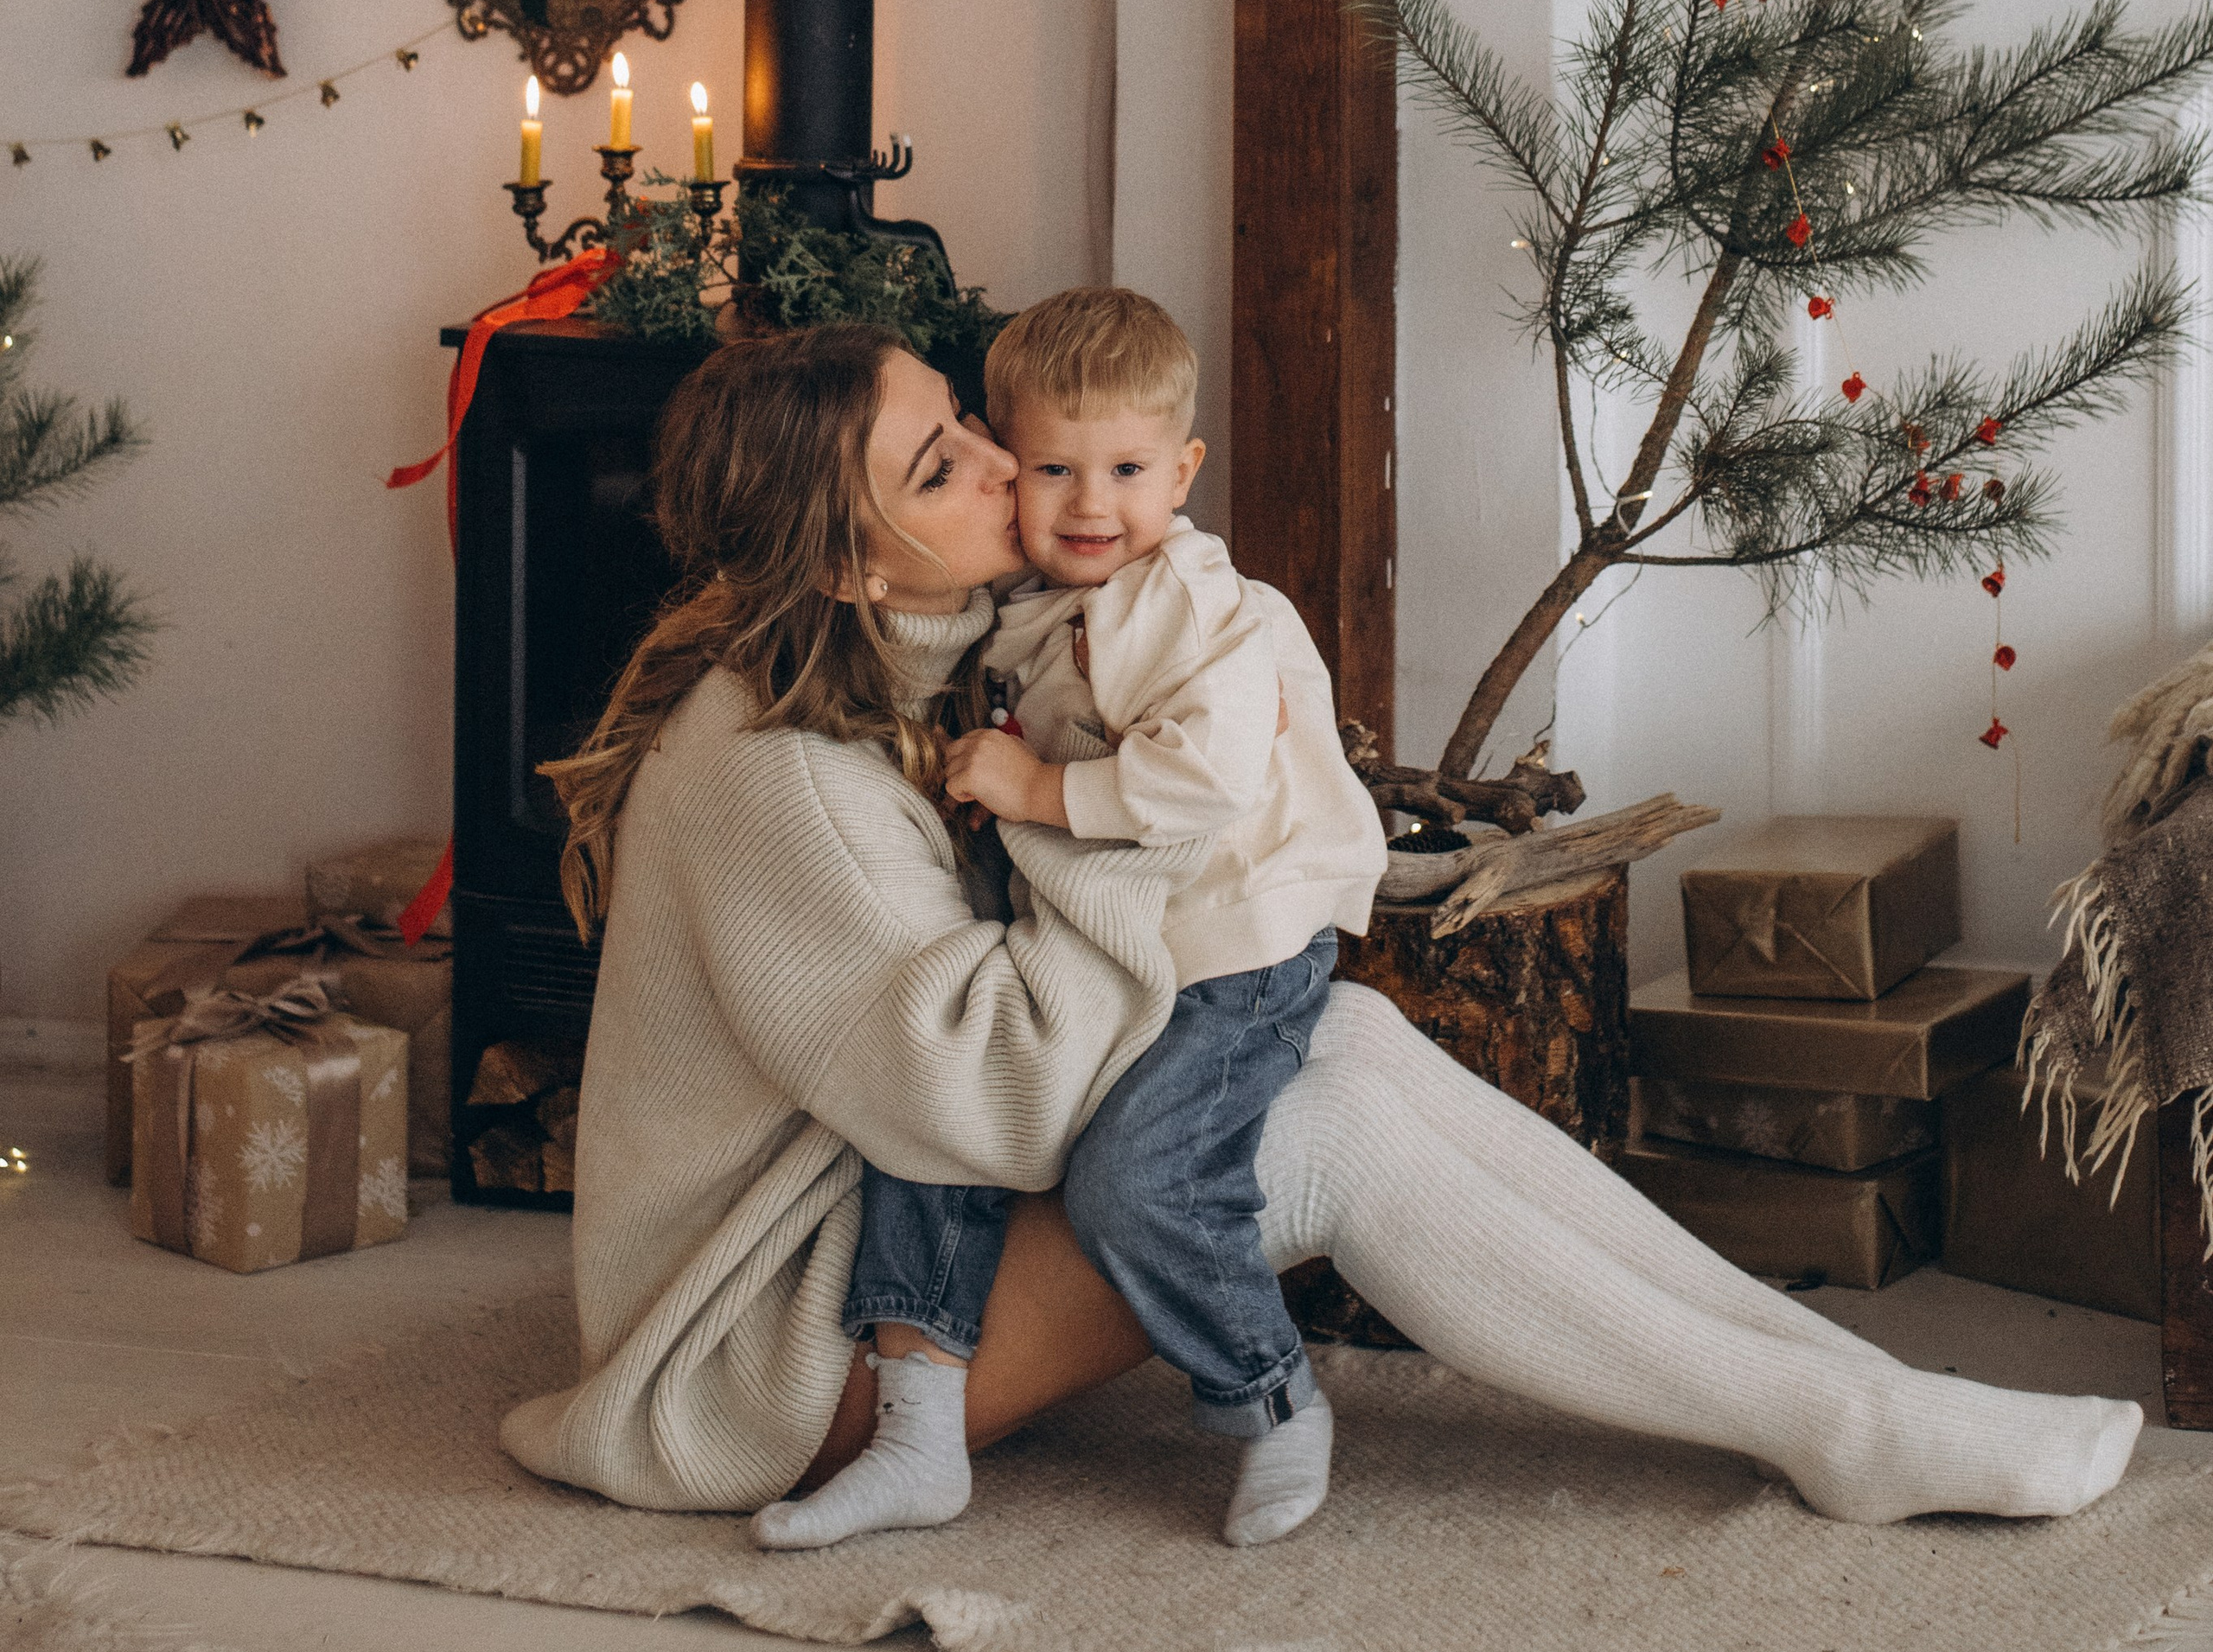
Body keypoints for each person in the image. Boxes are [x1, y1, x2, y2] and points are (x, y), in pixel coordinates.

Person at [503, 321, 2142, 1542]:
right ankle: (1844, 1420)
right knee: (1337, 1119)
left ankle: (1861, 1399)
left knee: (1350, 1037)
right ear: (845, 557)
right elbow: (991, 1100)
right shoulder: (776, 776)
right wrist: (1156, 827)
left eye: (961, 416)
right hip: (771, 1353)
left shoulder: (924, 658)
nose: (1010, 462)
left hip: (873, 1246)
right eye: (944, 465)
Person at [759, 286, 1384, 1553]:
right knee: (924, 1107)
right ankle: (918, 1434)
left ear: (1185, 470)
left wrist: (1038, 790)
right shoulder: (1034, 606)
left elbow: (1205, 782)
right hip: (1117, 948)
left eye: (1128, 470)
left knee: (1137, 1185)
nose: (1090, 505)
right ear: (1006, 453)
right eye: (1052, 467)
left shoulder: (1187, 602)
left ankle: (1271, 1398)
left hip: (1234, 950)